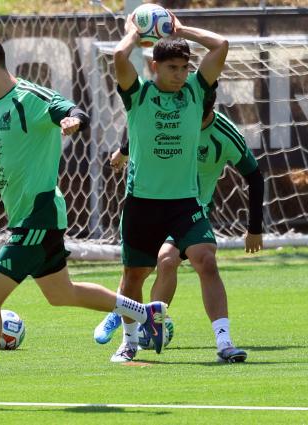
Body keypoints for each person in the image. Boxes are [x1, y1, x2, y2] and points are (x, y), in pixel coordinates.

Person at [0, 31, 167, 404]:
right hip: (28, 218)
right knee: (61, 294)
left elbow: (73, 111)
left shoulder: (29, 98)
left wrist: (73, 123)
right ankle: (144, 313)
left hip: (39, 215)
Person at [104, 11, 246, 364]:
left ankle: (224, 343)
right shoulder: (138, 96)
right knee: (134, 276)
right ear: (155, 66)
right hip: (142, 202)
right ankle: (130, 342)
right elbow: (120, 57)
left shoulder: (197, 91)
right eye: (173, 68)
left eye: (185, 68)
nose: (181, 74)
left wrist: (181, 30)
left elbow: (220, 45)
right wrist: (134, 33)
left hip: (184, 202)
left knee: (206, 260)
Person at [95, 90, 264, 358]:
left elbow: (254, 175)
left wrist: (254, 227)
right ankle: (136, 319)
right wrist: (123, 151)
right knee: (142, 268)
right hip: (152, 202)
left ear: (205, 110)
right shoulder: (171, 116)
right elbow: (145, 127)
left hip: (190, 209)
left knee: (199, 260)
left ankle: (224, 342)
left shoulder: (224, 134)